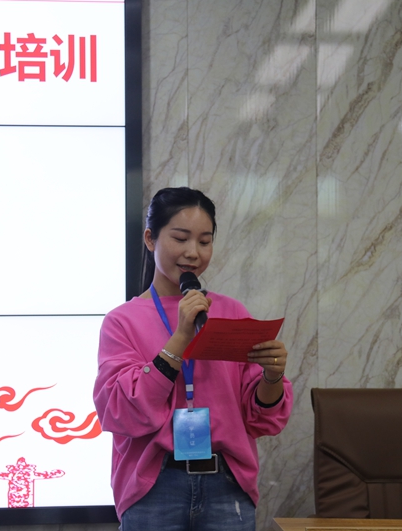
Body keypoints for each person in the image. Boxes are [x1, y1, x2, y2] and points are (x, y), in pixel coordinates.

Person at [93, 187, 293, 530]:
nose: (193, 253)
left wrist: (272, 377)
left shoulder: (231, 311)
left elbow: (261, 419)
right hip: (153, 488)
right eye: (180, 238)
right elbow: (120, 412)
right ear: (150, 239)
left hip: (226, 484)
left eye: (204, 241)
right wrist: (181, 336)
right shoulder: (122, 321)